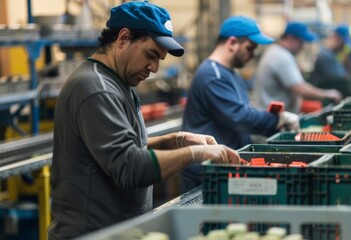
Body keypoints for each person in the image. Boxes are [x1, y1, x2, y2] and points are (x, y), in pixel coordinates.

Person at [48, 2, 239, 239]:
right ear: (124, 38)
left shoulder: (118, 83)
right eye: (151, 55)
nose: (155, 68)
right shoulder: (96, 88)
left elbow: (122, 148)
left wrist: (177, 140)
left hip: (120, 231)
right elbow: (130, 167)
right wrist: (195, 154)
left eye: (160, 59)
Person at [180, 16, 300, 193]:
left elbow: (243, 113)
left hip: (223, 167)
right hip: (205, 173)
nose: (252, 55)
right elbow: (239, 117)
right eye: (250, 48)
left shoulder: (231, 74)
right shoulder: (212, 76)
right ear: (232, 43)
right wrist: (277, 119)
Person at [252, 21, 342, 114]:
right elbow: (300, 88)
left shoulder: (276, 51)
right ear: (291, 38)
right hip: (271, 119)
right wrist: (328, 94)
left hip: (272, 116)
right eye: (301, 41)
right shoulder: (281, 56)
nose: (302, 46)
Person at [309, 25, 351, 96]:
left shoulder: (334, 55)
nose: (344, 46)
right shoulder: (326, 55)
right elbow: (339, 80)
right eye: (343, 42)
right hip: (326, 99)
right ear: (336, 38)